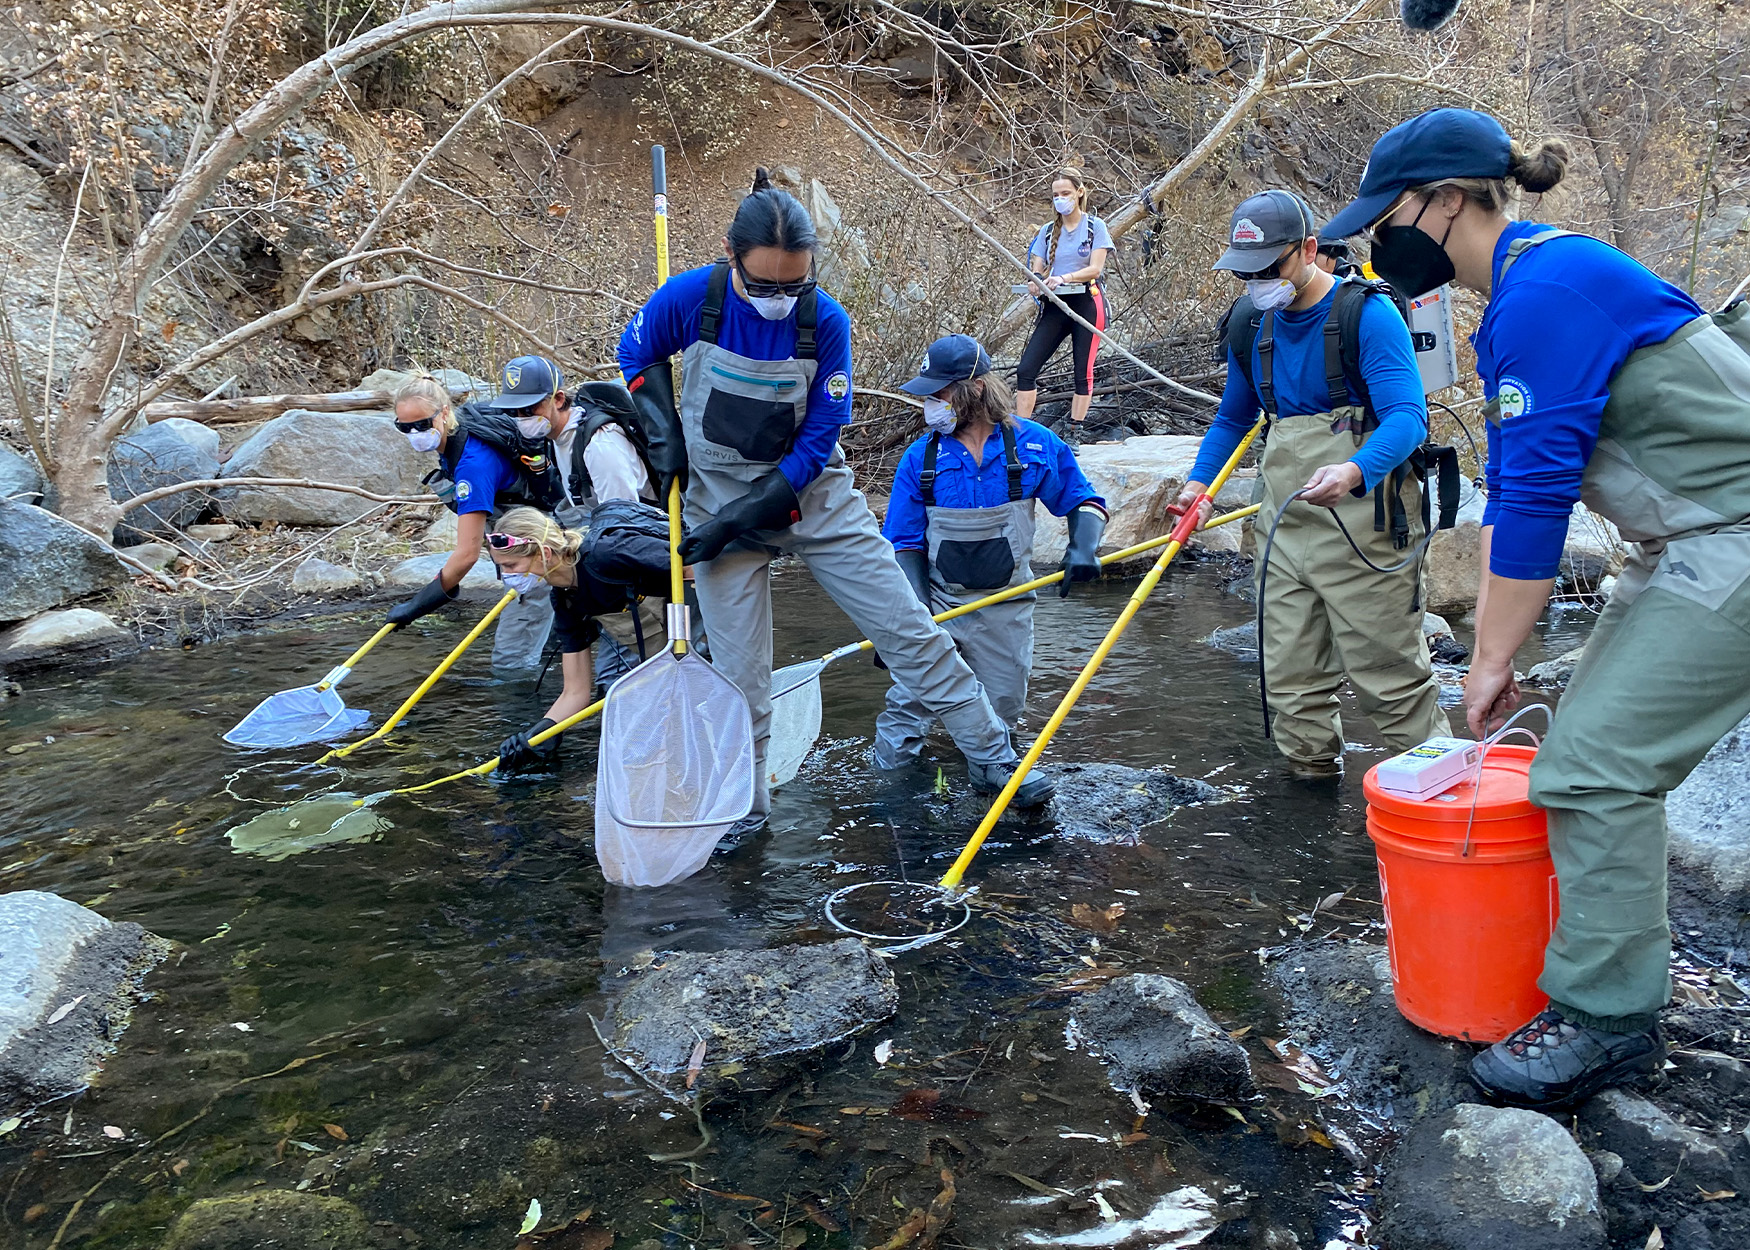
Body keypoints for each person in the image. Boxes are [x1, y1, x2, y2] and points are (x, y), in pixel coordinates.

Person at [1323, 107, 1750, 1109]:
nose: (1375, 238)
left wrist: (1483, 663)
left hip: (1730, 536)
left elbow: (1529, 499)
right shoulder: (1542, 276)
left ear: (1444, 201)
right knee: (1575, 759)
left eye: (1385, 215)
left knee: (1597, 766)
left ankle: (1607, 1022)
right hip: (1688, 539)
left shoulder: (1542, 295)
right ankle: (1605, 966)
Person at [617, 167, 1050, 846]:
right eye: (762, 287)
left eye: (795, 285)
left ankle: (997, 761)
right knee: (739, 677)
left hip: (812, 495)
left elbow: (820, 437)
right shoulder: (688, 300)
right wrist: (661, 429)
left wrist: (752, 511)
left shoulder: (826, 322)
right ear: (730, 256)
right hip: (716, 497)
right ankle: (746, 810)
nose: (779, 300)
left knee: (910, 631)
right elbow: (636, 354)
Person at [1173, 188, 1449, 778]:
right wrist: (1200, 486)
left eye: (1269, 268)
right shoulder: (1251, 322)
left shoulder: (1366, 315)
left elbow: (1407, 418)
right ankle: (1312, 794)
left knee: (1392, 679)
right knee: (1290, 682)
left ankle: (1446, 802)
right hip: (1281, 528)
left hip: (1365, 527)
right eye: (1245, 272)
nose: (1256, 282)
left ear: (1307, 250)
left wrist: (1355, 470)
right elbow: (1233, 416)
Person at [876, 334, 1107, 764]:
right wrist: (912, 617)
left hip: (1007, 606)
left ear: (976, 389)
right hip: (938, 604)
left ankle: (989, 792)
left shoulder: (1035, 445)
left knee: (1001, 713)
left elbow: (1084, 502)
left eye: (939, 393)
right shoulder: (918, 459)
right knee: (907, 709)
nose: (930, 402)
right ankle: (893, 801)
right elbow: (903, 543)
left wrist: (1084, 546)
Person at [388, 361, 659, 674]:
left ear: (445, 412)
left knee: (511, 662)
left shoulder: (474, 466)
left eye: (422, 424)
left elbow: (466, 554)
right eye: (405, 427)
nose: (415, 434)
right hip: (542, 535)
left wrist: (419, 605)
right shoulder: (467, 438)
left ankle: (520, 705)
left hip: (544, 545)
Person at [485, 505, 673, 772]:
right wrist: (540, 734)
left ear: (545, 554)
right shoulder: (565, 600)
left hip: (710, 633)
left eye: (511, 565)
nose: (507, 576)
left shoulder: (606, 554)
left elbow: (695, 567)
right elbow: (576, 692)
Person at [1014, 168, 1113, 435]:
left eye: (1066, 193)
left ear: (1079, 193)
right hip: (1055, 307)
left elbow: (1095, 269)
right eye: (1056, 195)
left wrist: (1065, 277)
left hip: (1086, 302)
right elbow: (1037, 267)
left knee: (1082, 371)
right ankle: (1021, 431)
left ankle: (1075, 431)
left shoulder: (1095, 227)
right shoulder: (1047, 232)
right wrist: (1036, 282)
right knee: (1026, 369)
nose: (1061, 199)